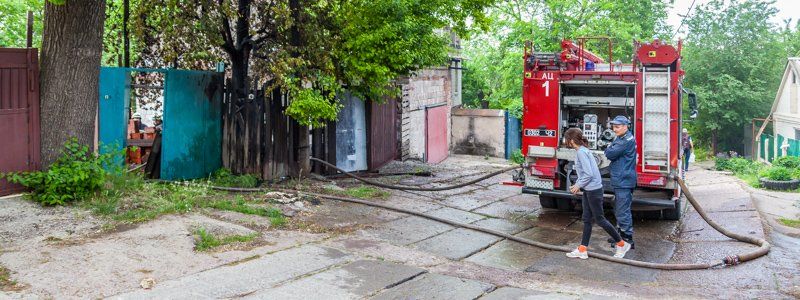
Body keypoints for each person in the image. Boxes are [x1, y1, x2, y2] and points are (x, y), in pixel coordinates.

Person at [564, 128, 632, 259]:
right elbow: (585, 173)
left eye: (567, 139)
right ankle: (583, 249)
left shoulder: (581, 153)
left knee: (600, 219)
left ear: (571, 140)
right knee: (587, 219)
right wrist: (579, 184)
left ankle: (622, 244)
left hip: (593, 190)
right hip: (589, 189)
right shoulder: (583, 150)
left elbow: (588, 173)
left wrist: (578, 185)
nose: (566, 142)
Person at [604, 115, 637, 248]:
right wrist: (610, 147)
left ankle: (627, 239)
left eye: (617, 127)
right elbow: (611, 150)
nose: (614, 129)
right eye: (613, 126)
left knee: (623, 211)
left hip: (623, 180)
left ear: (625, 126)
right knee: (620, 209)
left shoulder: (625, 140)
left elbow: (609, 154)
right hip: (622, 178)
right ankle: (619, 237)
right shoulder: (623, 137)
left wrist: (609, 148)